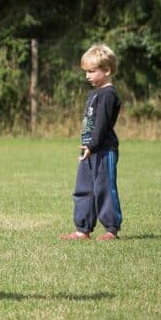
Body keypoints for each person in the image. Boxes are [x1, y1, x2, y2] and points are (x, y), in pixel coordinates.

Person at [60, 43, 123, 242]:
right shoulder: (93, 94)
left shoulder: (108, 95)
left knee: (104, 188)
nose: (87, 75)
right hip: (88, 150)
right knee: (84, 189)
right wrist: (86, 146)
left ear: (106, 70)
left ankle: (111, 230)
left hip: (103, 150)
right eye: (85, 71)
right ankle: (82, 229)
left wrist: (92, 145)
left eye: (91, 71)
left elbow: (102, 125)